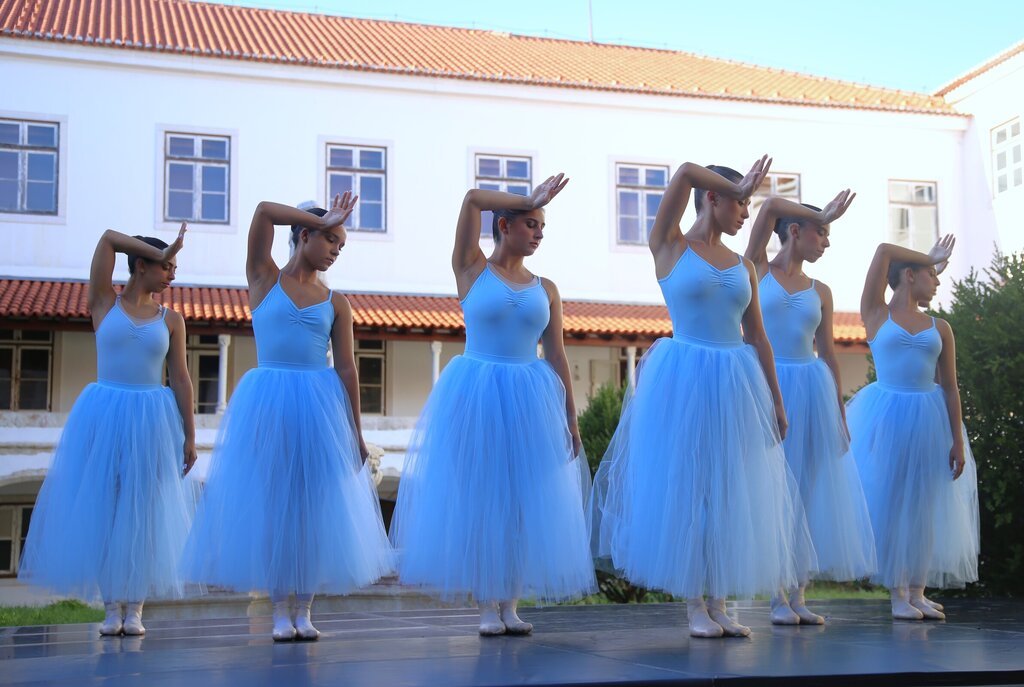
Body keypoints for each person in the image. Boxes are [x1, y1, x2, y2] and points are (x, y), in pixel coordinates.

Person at [591, 157, 816, 638]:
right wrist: (737, 183)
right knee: (690, 489)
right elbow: (687, 173)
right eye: (740, 202)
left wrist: (776, 401)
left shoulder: (744, 267)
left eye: (749, 204)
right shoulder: (670, 245)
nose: (746, 213)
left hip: (737, 381)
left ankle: (720, 602)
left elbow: (758, 337)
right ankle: (695, 603)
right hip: (684, 380)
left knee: (731, 490)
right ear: (712, 198)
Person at [389, 174, 595, 636]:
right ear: (504, 226)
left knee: (522, 504)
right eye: (531, 224)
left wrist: (571, 419)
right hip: (477, 395)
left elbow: (557, 355)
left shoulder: (547, 288)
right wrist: (529, 197)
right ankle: (487, 603)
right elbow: (472, 200)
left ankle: (511, 604)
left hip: (531, 400)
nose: (538, 234)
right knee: (482, 501)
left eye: (542, 227)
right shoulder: (471, 269)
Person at [182, 193, 393, 641]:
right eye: (331, 239)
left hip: (320, 410)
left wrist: (355, 433)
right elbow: (262, 211)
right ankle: (280, 608)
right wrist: (322, 217)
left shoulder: (336, 302)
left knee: (314, 511)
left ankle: (305, 609)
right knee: (276, 508)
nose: (336, 250)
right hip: (269, 405)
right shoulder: (263, 278)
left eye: (341, 244)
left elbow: (347, 369)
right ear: (304, 235)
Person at [19, 225, 196, 637]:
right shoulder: (103, 302)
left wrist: (189, 435)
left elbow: (181, 378)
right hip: (104, 416)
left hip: (152, 419)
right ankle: (110, 606)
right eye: (166, 266)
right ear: (140, 265)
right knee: (106, 511)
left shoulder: (172, 320)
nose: (172, 274)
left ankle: (135, 607)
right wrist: (160, 248)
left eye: (174, 267)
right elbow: (107, 239)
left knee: (143, 514)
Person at [744, 192, 876, 624]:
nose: (827, 242)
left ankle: (798, 593)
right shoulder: (758, 269)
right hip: (767, 385)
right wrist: (820, 211)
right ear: (795, 231)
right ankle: (776, 596)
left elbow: (830, 354)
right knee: (771, 489)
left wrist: (839, 412)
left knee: (806, 491)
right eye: (822, 232)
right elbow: (767, 210)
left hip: (812, 390)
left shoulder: (821, 291)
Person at [848, 236, 979, 620]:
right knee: (893, 501)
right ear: (909, 275)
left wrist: (957, 440)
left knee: (924, 504)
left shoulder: (940, 327)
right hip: (888, 415)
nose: (937, 280)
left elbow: (950, 386)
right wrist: (930, 256)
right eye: (931, 274)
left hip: (929, 419)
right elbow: (882, 251)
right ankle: (898, 592)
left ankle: (918, 590)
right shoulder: (876, 314)